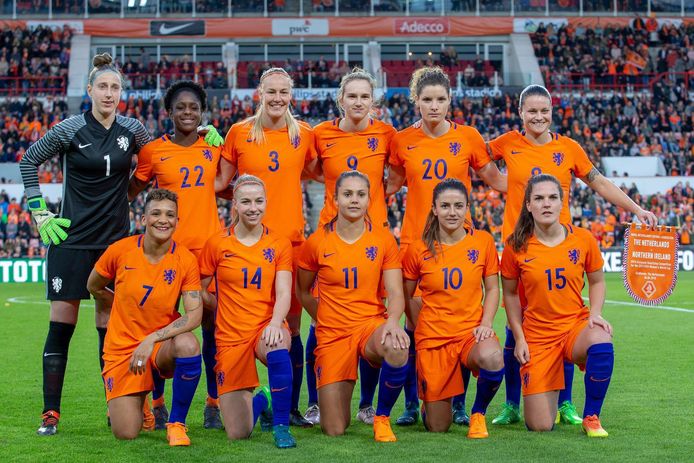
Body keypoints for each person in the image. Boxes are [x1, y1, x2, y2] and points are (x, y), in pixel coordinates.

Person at [487, 84, 656, 426]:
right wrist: (500, 182)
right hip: (521, 249)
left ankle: (565, 403)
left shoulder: (568, 148)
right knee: (514, 328)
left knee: (562, 320)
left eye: (544, 110)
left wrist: (636, 209)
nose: (538, 116)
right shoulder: (506, 144)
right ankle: (511, 404)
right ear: (520, 113)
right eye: (531, 111)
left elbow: (600, 183)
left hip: (561, 249)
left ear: (552, 112)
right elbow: (474, 162)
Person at [20, 53, 151, 436]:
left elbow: (159, 159)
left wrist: (131, 192)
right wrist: (39, 212)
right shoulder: (70, 129)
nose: (109, 93)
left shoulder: (133, 130)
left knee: (109, 333)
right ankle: (50, 414)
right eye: (103, 87)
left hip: (114, 247)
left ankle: (115, 408)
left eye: (115, 87)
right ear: (90, 90)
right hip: (71, 243)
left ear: (121, 92)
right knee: (61, 328)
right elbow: (29, 162)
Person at [385, 66, 506, 426]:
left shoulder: (468, 137)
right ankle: (412, 402)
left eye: (440, 99)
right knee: (415, 329)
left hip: (459, 244)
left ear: (449, 100)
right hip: (415, 245)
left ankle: (457, 404)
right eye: (427, 100)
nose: (434, 106)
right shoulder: (401, 140)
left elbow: (495, 178)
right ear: (415, 102)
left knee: (460, 325)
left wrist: (538, 175)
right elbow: (389, 186)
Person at [219, 67, 317, 427]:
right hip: (246, 247)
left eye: (284, 92)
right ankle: (226, 398)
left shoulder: (304, 134)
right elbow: (220, 182)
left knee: (290, 330)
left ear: (292, 95)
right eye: (271, 91)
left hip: (289, 244)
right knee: (234, 324)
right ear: (258, 92)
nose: (277, 98)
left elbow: (321, 171)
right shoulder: (239, 133)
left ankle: (287, 409)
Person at [128, 80, 225, 430]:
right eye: (180, 107)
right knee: (160, 326)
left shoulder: (215, 149)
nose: (187, 112)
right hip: (167, 255)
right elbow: (131, 190)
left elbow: (232, 190)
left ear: (203, 113)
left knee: (215, 328)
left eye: (193, 107)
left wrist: (224, 144)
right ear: (168, 113)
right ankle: (156, 402)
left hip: (210, 254)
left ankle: (213, 402)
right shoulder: (153, 151)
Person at [306, 67, 396, 425]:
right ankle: (315, 401)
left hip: (374, 238)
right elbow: (310, 168)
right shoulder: (320, 134)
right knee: (320, 320)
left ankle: (367, 404)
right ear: (340, 100)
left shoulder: (388, 135)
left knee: (373, 316)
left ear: (373, 102)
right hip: (331, 237)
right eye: (352, 96)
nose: (358, 102)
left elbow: (400, 174)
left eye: (365, 96)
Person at [296, 170, 409, 442]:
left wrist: (392, 321)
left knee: (397, 346)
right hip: (333, 333)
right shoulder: (317, 242)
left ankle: (381, 417)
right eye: (347, 194)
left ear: (370, 199)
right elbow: (303, 291)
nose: (354, 200)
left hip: (369, 325)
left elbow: (395, 292)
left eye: (360, 194)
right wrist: (324, 317)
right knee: (334, 428)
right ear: (335, 199)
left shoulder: (383, 239)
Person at [86, 189, 203, 446]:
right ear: (143, 219)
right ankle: (144, 407)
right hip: (122, 348)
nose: (163, 220)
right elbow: (93, 285)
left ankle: (176, 424)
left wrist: (152, 338)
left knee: (188, 343)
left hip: (159, 345)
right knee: (126, 433)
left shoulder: (185, 259)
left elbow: (194, 314)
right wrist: (116, 303)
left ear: (177, 221)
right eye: (156, 213)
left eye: (170, 215)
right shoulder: (119, 251)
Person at [501, 174, 614, 437]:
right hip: (538, 337)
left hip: (574, 328)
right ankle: (551, 389)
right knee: (540, 425)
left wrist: (595, 314)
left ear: (562, 203)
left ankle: (591, 416)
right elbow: (510, 295)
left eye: (553, 198)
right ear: (528, 204)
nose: (546, 204)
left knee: (601, 337)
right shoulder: (515, 246)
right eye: (539, 198)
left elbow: (597, 282)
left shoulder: (583, 239)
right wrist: (519, 338)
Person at [198, 174, 297, 449]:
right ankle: (264, 399)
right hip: (230, 336)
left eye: (259, 201)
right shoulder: (217, 243)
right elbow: (199, 288)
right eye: (246, 202)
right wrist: (219, 303)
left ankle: (281, 427)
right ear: (235, 206)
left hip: (266, 325)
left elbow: (285, 292)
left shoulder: (279, 244)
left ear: (266, 203)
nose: (253, 207)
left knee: (276, 346)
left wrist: (277, 323)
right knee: (238, 433)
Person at [402, 178, 504, 438]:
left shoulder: (482, 242)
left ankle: (478, 413)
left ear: (467, 207)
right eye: (445, 206)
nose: (452, 212)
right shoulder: (418, 248)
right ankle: (430, 400)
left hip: (470, 334)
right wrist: (418, 324)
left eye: (459, 206)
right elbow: (406, 292)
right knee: (438, 426)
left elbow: (493, 288)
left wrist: (486, 323)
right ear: (434, 209)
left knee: (493, 358)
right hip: (434, 337)